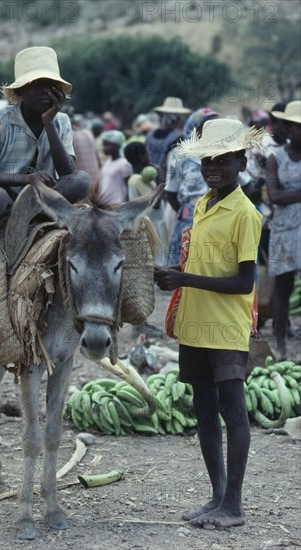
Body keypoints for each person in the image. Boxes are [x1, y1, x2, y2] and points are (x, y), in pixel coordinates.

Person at [154, 118, 264, 529]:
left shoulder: (245, 214)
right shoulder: (204, 203)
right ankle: (217, 495)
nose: (212, 166)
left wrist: (184, 279)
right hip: (195, 324)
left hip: (227, 326)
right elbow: (200, 263)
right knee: (204, 411)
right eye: (206, 160)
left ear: (240, 160)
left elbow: (242, 282)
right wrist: (172, 272)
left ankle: (233, 503)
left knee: (233, 412)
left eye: (222, 159)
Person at [0, 46, 90, 250]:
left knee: (81, 180)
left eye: (50, 85)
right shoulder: (0, 119)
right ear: (19, 91)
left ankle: (28, 216)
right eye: (36, 84)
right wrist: (26, 179)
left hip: (34, 198)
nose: (45, 91)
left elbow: (67, 173)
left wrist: (49, 123)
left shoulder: (61, 121)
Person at [266, 100, 301, 360]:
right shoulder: (275, 157)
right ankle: (280, 345)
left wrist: (292, 195)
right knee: (282, 287)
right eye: (297, 127)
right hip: (284, 229)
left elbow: (281, 194)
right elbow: (274, 195)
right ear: (287, 129)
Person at [164, 108, 219, 265]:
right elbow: (170, 192)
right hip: (189, 218)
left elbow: (246, 184)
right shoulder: (181, 153)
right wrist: (188, 211)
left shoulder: (224, 152)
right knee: (184, 269)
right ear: (195, 128)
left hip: (219, 216)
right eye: (209, 125)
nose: (214, 130)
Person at [145, 97, 191, 183]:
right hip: (166, 181)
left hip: (148, 177)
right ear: (177, 118)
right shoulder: (179, 137)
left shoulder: (149, 135)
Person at [99, 130, 132, 204]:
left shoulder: (124, 164)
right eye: (104, 145)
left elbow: (128, 187)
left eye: (107, 145)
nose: (104, 148)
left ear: (116, 146)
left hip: (117, 204)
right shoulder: (107, 162)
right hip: (104, 203)